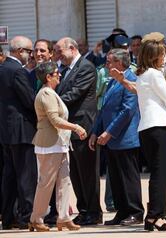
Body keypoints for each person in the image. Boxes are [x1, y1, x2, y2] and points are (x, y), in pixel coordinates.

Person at [112, 39, 166, 231]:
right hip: (158, 128)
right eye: (162, 53)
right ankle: (155, 216)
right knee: (160, 174)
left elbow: (136, 88)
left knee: (156, 174)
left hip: (146, 129)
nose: (164, 56)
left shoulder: (142, 74)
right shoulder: (155, 75)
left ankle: (154, 216)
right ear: (154, 56)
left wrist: (122, 80)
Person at [89, 49, 144, 226]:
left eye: (109, 61)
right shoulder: (112, 81)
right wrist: (96, 131)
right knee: (116, 178)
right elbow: (104, 109)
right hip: (111, 139)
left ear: (120, 63)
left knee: (128, 177)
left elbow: (127, 110)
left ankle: (135, 212)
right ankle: (122, 211)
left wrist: (109, 132)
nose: (106, 65)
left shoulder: (130, 80)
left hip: (125, 138)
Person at [29, 62, 86, 232]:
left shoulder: (52, 93)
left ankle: (63, 218)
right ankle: (36, 218)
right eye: (56, 73)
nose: (59, 75)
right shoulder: (46, 93)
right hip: (49, 145)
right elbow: (54, 120)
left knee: (64, 182)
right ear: (48, 77)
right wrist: (75, 127)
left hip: (59, 144)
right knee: (46, 183)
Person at [54, 37, 102, 225]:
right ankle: (83, 209)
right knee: (75, 171)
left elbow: (75, 93)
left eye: (60, 51)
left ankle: (93, 211)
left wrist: (52, 102)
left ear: (72, 49)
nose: (58, 56)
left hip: (83, 125)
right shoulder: (66, 69)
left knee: (88, 171)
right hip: (69, 128)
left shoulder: (86, 67)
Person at [0, 36, 37, 230]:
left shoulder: (3, 68)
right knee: (26, 176)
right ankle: (27, 217)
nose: (30, 56)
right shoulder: (17, 71)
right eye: (29, 51)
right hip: (22, 130)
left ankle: (8, 217)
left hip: (6, 131)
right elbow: (29, 100)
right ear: (19, 51)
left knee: (10, 176)